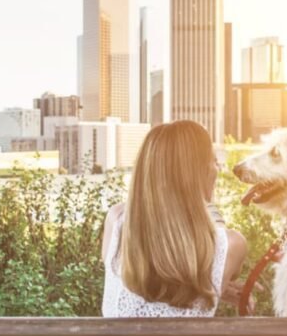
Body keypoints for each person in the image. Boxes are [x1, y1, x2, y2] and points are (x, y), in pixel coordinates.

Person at [101, 120, 248, 317]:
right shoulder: (231, 244)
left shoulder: (117, 220)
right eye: (214, 161)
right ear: (195, 172)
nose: (217, 169)